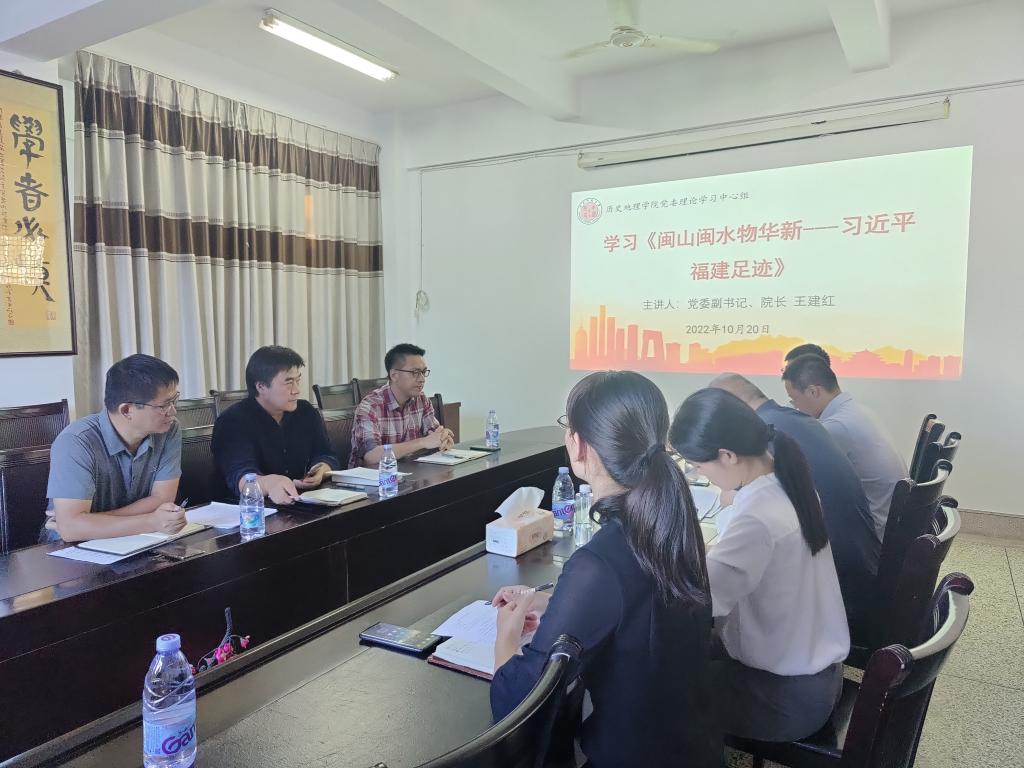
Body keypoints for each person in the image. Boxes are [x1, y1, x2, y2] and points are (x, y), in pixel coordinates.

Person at [490, 371, 719, 767]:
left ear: (579, 444)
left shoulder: (599, 561)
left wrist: (505, 638)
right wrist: (559, 603)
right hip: (688, 746)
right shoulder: (670, 522)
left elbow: (518, 704)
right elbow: (635, 605)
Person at [669, 387, 849, 742]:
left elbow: (701, 602)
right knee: (679, 656)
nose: (701, 474)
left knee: (656, 690)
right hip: (817, 676)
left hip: (784, 699)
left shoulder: (756, 516)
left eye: (699, 466)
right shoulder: (787, 481)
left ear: (727, 455)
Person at [709, 373, 880, 627]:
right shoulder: (796, 420)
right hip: (855, 569)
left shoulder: (765, 437)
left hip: (839, 594)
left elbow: (733, 503)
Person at [42, 354, 185, 543]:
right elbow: (70, 532)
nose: (173, 411)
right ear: (126, 410)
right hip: (69, 549)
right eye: (165, 405)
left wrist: (87, 521)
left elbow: (162, 499)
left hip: (135, 538)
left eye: (174, 400)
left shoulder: (168, 430)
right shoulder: (76, 441)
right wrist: (151, 521)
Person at [782, 354, 908, 539]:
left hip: (872, 535)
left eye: (794, 399)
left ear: (813, 392)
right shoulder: (856, 411)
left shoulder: (836, 427)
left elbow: (800, 479)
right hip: (891, 525)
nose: (795, 408)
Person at [212, 346, 339, 504]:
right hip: (247, 509)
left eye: (297, 381)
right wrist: (270, 484)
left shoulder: (305, 412)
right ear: (261, 386)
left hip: (298, 502)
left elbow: (327, 454)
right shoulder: (232, 421)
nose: (297, 390)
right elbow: (241, 476)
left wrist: (322, 469)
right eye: (288, 383)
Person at [349, 343, 454, 468]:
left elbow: (434, 435)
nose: (422, 379)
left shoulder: (421, 399)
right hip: (375, 478)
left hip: (410, 473)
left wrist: (443, 438)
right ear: (394, 375)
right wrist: (422, 442)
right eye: (415, 372)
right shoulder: (370, 407)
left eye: (423, 372)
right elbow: (371, 456)